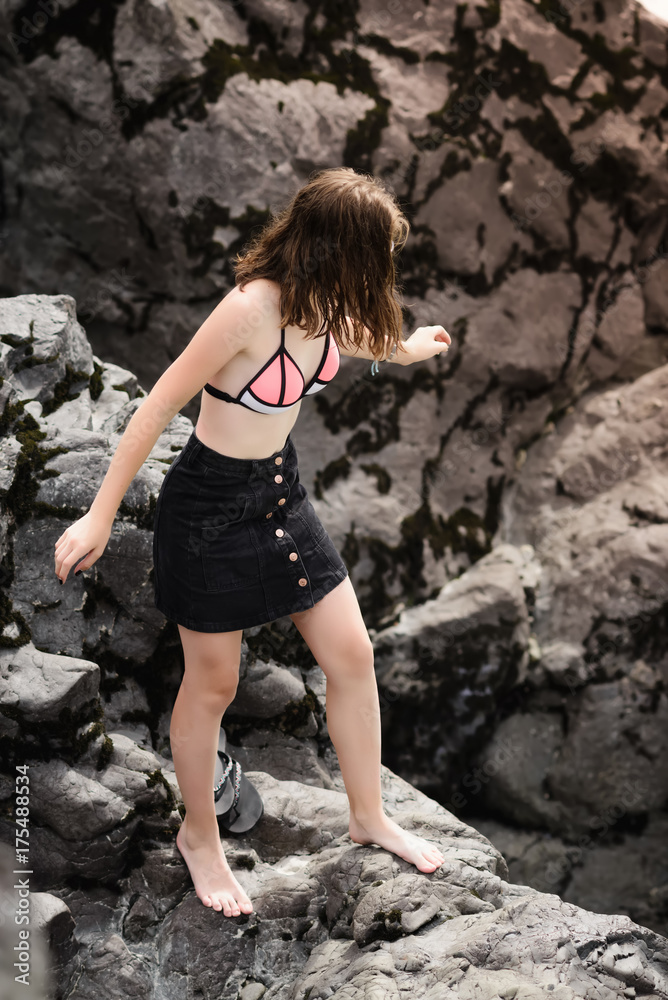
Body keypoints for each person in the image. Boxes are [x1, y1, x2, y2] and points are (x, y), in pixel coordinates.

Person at [54, 166, 452, 919]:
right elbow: (157, 404)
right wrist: (100, 515)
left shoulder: (331, 299)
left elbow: (357, 335)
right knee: (214, 685)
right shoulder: (247, 311)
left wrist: (405, 349)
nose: (385, 270)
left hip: (280, 492)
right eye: (378, 254)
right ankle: (198, 836)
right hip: (208, 509)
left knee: (353, 657)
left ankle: (367, 815)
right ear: (338, 249)